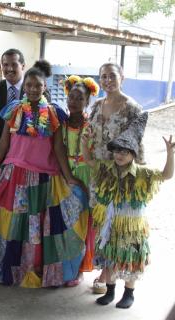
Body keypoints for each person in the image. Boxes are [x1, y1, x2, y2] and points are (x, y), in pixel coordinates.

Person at [0, 60, 88, 288]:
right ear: (24, 87)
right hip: (14, 174)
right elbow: (2, 144)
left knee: (38, 227)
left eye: (37, 85)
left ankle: (36, 269)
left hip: (45, 179)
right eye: (29, 85)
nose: (33, 89)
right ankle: (9, 267)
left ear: (44, 86)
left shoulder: (54, 112)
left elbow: (59, 148)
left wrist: (68, 177)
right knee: (12, 222)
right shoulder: (15, 109)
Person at [81, 113, 174, 309]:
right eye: (117, 151)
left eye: (125, 151)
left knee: (129, 259)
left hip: (132, 226)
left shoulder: (142, 173)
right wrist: (85, 142)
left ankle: (129, 293)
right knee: (111, 258)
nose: (120, 155)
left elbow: (166, 175)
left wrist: (170, 154)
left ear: (133, 153)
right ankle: (110, 290)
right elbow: (88, 160)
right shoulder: (106, 167)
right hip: (110, 224)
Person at [88, 62, 144, 293]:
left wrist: (136, 179)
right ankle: (106, 270)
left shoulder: (132, 108)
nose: (108, 80)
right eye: (104, 76)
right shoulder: (97, 105)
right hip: (99, 174)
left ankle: (118, 275)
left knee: (120, 224)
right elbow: (89, 136)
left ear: (122, 77)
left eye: (112, 76)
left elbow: (138, 145)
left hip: (121, 175)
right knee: (102, 223)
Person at [61, 75, 100, 286]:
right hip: (64, 174)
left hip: (85, 175)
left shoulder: (91, 125)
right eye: (71, 97)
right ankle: (64, 263)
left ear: (87, 102)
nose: (73, 101)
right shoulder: (61, 123)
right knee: (66, 222)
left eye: (79, 98)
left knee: (84, 223)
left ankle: (79, 267)